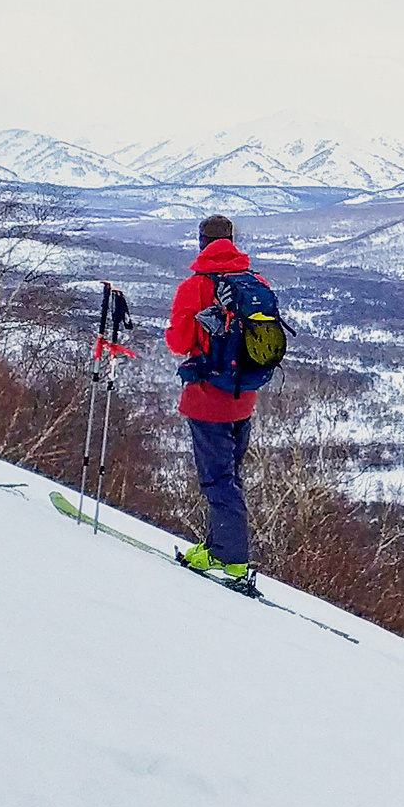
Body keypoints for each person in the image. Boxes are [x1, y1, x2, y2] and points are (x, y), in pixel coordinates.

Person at [163, 214, 268, 585]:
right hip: (245, 396)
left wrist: (175, 332)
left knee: (217, 481)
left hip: (208, 398)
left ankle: (234, 560)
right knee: (231, 476)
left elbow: (180, 342)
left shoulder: (194, 287)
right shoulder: (255, 282)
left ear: (201, 242)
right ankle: (215, 547)